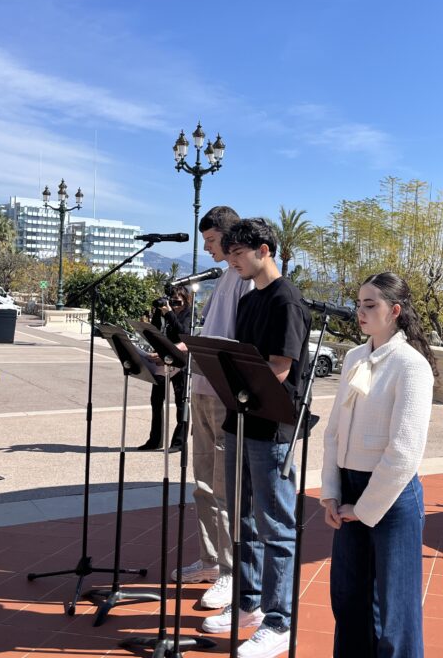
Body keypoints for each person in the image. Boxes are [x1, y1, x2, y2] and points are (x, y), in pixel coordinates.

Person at [201, 218, 311, 658]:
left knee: (276, 526)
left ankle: (279, 621)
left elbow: (278, 370)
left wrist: (237, 376)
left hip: (272, 429)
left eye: (238, 256)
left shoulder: (288, 301)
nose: (233, 264)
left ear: (264, 250)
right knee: (240, 517)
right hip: (239, 421)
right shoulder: (249, 300)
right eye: (229, 257)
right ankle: (247, 603)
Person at [319, 272, 436, 658]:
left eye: (371, 305)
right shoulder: (355, 356)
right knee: (348, 599)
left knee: (395, 614)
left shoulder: (411, 365)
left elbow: (404, 451)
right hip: (350, 490)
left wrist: (365, 509)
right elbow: (334, 430)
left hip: (393, 497)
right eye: (358, 304)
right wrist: (333, 494)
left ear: (395, 311)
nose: (360, 313)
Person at [173, 206, 253, 611]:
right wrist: (178, 349)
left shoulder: (244, 281)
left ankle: (229, 571)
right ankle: (208, 560)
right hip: (202, 388)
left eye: (211, 242)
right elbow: (212, 333)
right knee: (202, 483)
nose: (207, 249)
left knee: (223, 488)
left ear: (229, 236)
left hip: (224, 395)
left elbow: (238, 343)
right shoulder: (223, 278)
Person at [137, 285, 192, 450]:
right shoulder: (165, 314)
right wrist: (159, 313)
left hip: (179, 363)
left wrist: (169, 313)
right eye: (172, 302)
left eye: (178, 302)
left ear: (186, 301)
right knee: (156, 400)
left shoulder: (188, 314)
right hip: (161, 361)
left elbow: (184, 333)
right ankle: (155, 440)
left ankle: (179, 442)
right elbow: (154, 332)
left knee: (181, 401)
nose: (175, 306)